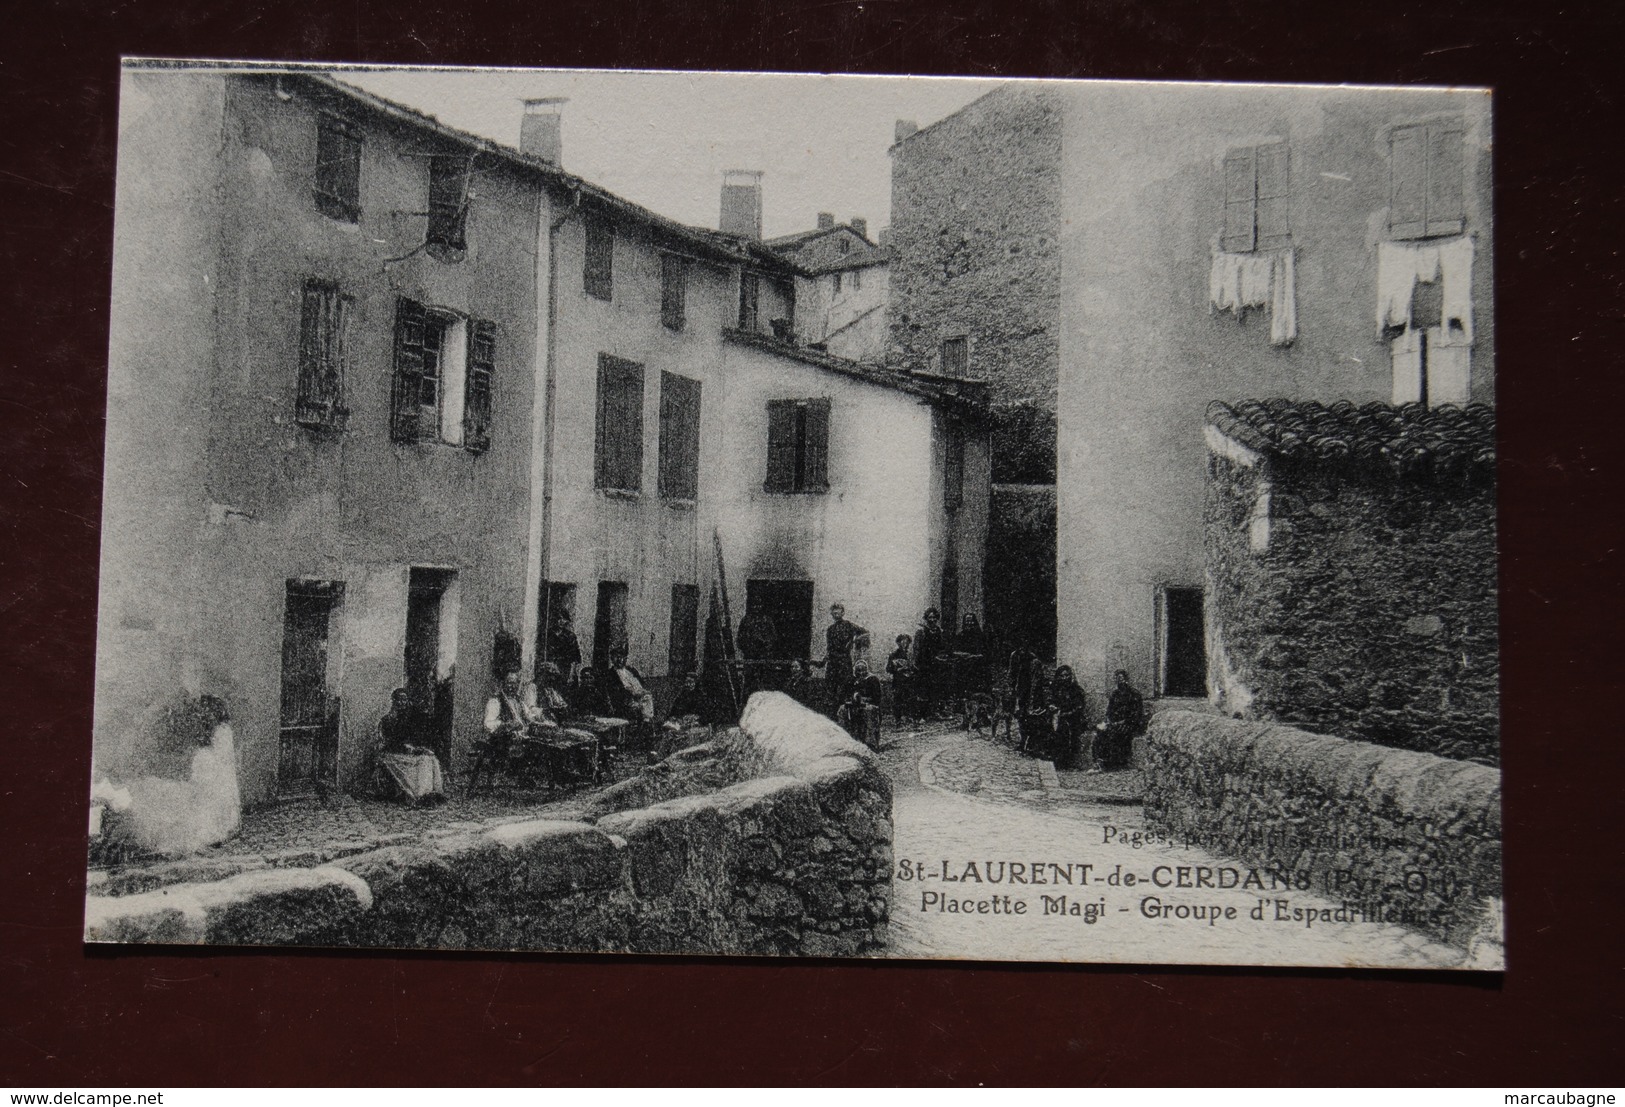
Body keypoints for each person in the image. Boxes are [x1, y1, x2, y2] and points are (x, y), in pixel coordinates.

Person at [125, 694, 241, 857]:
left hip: (210, 781)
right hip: (211, 781)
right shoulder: (220, 734)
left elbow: (209, 776)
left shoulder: (212, 745)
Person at [375, 687, 446, 805]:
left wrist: (419, 748)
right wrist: (406, 747)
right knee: (423, 761)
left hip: (407, 752)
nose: (402, 703)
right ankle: (419, 794)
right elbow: (388, 741)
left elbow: (413, 738)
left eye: (405, 700)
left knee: (431, 758)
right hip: (392, 754)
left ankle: (432, 793)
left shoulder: (408, 718)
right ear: (394, 701)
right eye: (399, 699)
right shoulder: (388, 720)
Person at [1092, 669, 1145, 772]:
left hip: (1129, 723)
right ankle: (1099, 761)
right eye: (1117, 679)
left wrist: (1121, 722)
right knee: (1100, 733)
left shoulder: (1134, 694)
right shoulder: (1115, 694)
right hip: (1114, 723)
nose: (1120, 681)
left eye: (1122, 678)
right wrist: (1108, 721)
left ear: (1126, 679)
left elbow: (1136, 714)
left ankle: (1113, 763)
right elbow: (1109, 711)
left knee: (1116, 733)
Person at [823, 603, 870, 717]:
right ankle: (833, 715)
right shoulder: (830, 629)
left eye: (838, 612)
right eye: (834, 613)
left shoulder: (849, 625)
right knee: (831, 688)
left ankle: (844, 715)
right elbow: (829, 647)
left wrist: (854, 641)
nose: (836, 614)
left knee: (845, 688)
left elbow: (866, 633)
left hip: (844, 660)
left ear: (843, 613)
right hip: (832, 662)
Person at [836, 660, 885, 748]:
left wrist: (864, 699)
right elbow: (843, 695)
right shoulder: (851, 679)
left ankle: (870, 741)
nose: (861, 673)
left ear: (866, 670)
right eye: (858, 670)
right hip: (853, 705)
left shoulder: (872, 679)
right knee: (842, 709)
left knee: (868, 710)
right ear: (855, 671)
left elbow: (877, 698)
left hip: (869, 704)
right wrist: (850, 699)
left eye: (863, 670)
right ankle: (843, 739)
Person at [1048, 666, 1090, 770]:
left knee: (1065, 730)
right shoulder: (1056, 688)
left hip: (1073, 718)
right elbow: (1051, 700)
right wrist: (1051, 705)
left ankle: (1065, 761)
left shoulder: (1076, 690)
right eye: (1062, 676)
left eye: (1067, 675)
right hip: (1058, 715)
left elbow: (1079, 707)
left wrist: (1066, 713)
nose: (1064, 678)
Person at [736, 602, 778, 695]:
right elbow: (740, 639)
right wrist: (749, 648)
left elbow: (773, 638)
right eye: (754, 605)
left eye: (759, 605)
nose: (757, 607)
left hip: (764, 659)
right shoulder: (746, 621)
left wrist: (764, 645)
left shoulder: (767, 620)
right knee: (750, 685)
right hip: (750, 658)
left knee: (764, 685)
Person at [912, 608, 948, 717]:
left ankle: (935, 710)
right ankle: (922, 714)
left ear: (937, 618)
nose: (932, 620)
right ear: (926, 618)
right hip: (924, 663)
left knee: (936, 687)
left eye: (934, 617)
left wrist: (942, 656)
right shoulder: (921, 632)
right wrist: (915, 662)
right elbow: (916, 648)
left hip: (936, 664)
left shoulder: (940, 631)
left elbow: (943, 647)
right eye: (929, 617)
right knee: (924, 688)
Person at [886, 633, 919, 724]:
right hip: (898, 680)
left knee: (911, 698)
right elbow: (888, 668)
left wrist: (912, 668)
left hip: (910, 680)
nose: (904, 644)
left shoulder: (911, 655)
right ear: (898, 643)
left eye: (907, 642)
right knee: (898, 699)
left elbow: (916, 668)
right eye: (902, 642)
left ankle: (910, 717)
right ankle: (898, 719)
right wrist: (898, 669)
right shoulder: (893, 655)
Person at [544, 610, 583, 683]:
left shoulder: (570, 636)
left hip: (565, 670)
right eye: (559, 618)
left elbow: (574, 658)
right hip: (550, 669)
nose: (561, 621)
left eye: (564, 619)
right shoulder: (547, 634)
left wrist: (571, 675)